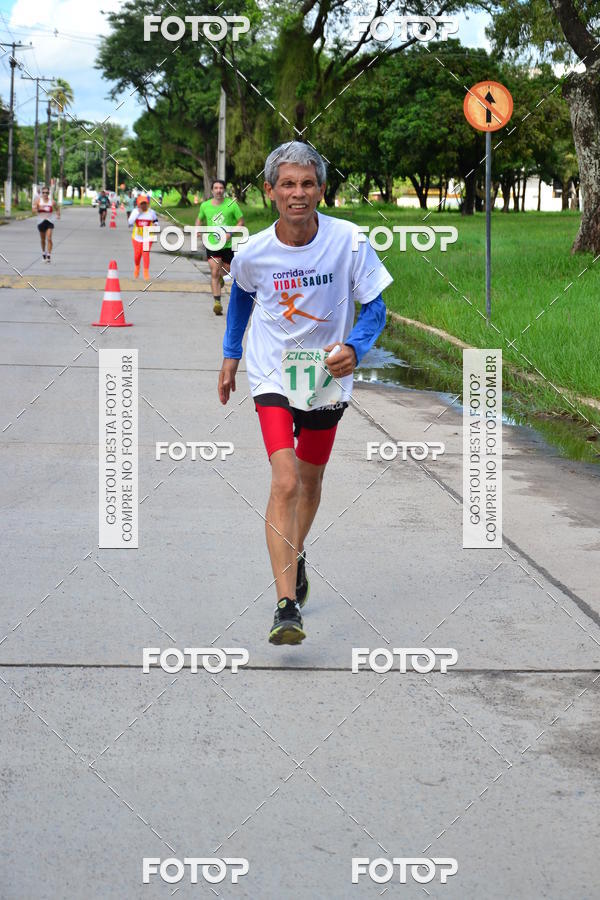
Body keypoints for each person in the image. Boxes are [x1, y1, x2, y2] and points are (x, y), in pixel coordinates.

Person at [218, 142, 392, 645]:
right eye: (288, 185)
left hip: (326, 377)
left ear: (320, 189)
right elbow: (241, 301)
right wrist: (232, 356)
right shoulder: (252, 252)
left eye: (308, 184)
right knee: (287, 480)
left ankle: (294, 554)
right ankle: (286, 605)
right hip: (272, 371)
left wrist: (355, 348)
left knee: (311, 487)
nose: (299, 194)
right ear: (271, 192)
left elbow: (376, 309)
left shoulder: (350, 242)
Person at [197, 180, 244, 316]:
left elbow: (241, 221)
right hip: (212, 244)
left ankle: (221, 278)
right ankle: (217, 302)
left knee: (228, 271)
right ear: (212, 191)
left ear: (224, 190)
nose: (218, 190)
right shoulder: (205, 206)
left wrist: (230, 233)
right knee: (214, 272)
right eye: (216, 188)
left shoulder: (231, 204)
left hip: (228, 245)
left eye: (221, 188)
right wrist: (198, 229)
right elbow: (199, 219)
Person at [128, 194, 159, 280]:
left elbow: (156, 221)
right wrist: (138, 213)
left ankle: (146, 272)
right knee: (137, 255)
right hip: (137, 237)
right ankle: (137, 267)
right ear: (138, 204)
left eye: (145, 203)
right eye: (142, 203)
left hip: (148, 237)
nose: (144, 205)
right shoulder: (135, 212)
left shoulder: (151, 212)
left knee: (145, 253)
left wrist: (156, 225)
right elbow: (130, 222)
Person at [33, 186, 60, 263]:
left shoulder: (52, 202)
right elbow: (33, 209)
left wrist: (58, 215)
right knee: (43, 239)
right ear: (42, 193)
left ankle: (48, 255)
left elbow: (57, 208)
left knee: (49, 238)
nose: (45, 194)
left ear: (48, 193)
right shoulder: (38, 201)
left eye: (46, 193)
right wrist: (36, 209)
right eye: (43, 192)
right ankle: (43, 252)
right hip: (41, 221)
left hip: (49, 221)